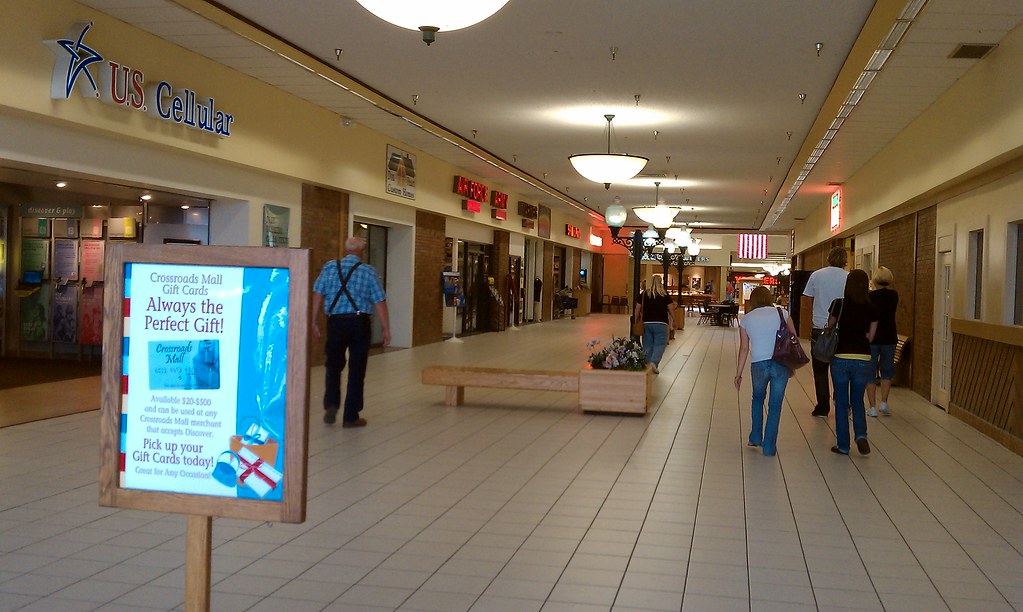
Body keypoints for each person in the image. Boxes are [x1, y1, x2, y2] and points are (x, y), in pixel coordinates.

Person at [312, 236, 391, 427]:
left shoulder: (329, 267)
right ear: (362, 252)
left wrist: (313, 321)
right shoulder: (368, 271)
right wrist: (386, 328)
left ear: (346, 250)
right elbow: (379, 301)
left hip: (335, 322)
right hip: (359, 322)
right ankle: (351, 416)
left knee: (333, 365)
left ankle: (331, 404)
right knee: (357, 368)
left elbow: (317, 294)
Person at [735, 286, 797, 456]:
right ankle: (769, 447)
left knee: (757, 399)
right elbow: (794, 338)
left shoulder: (746, 319)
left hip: (759, 364)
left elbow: (744, 348)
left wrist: (738, 373)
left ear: (753, 300)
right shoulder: (782, 313)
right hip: (781, 363)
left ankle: (755, 437)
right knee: (775, 405)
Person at [828, 269, 878, 455]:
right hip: (863, 358)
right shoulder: (872, 307)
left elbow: (830, 326)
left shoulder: (838, 304)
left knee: (841, 401)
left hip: (841, 358)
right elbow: (871, 337)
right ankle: (861, 436)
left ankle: (843, 445)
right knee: (857, 400)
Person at [802, 247, 849, 418]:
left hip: (820, 328)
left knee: (820, 370)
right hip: (842, 329)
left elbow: (807, 300)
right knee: (840, 369)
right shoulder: (848, 277)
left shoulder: (817, 275)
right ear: (845, 260)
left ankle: (822, 407)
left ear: (828, 258)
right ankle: (842, 402)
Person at [867, 266, 899, 417]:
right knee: (887, 371)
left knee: (870, 372)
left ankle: (872, 407)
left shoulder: (870, 297)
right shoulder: (894, 295)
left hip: (872, 339)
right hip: (890, 337)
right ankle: (884, 402)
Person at [635, 276, 675, 374]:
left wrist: (636, 320)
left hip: (647, 323)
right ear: (660, 282)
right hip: (661, 323)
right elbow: (671, 308)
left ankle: (648, 365)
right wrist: (674, 320)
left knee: (647, 344)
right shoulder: (664, 294)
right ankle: (654, 362)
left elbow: (637, 308)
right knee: (660, 344)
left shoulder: (644, 294)